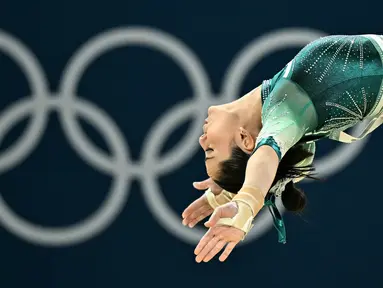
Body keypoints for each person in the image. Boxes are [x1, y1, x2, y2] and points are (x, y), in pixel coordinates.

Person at [181, 34, 383, 263]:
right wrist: (246, 203)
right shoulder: (284, 112)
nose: (201, 141)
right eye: (210, 151)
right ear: (245, 140)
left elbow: (281, 160)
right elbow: (266, 156)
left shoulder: (281, 108)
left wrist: (228, 192)